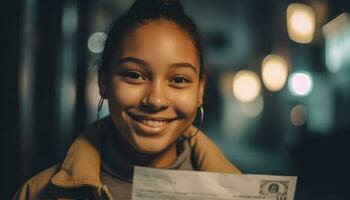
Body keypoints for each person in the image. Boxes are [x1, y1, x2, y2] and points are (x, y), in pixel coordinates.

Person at [14, 0, 241, 199]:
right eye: (134, 75)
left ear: (200, 89)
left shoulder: (242, 194)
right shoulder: (39, 193)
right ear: (104, 82)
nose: (156, 100)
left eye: (179, 79)